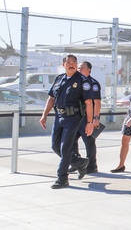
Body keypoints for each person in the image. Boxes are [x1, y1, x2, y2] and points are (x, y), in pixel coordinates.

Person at [39, 54, 95, 189]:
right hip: (59, 117)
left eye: (74, 62)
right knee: (55, 146)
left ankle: (62, 178)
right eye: (68, 62)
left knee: (65, 148)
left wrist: (90, 122)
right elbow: (51, 98)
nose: (71, 64)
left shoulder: (82, 80)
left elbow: (89, 103)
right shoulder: (59, 79)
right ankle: (78, 161)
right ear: (63, 64)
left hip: (73, 118)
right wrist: (44, 115)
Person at [72, 60, 102, 175]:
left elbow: (97, 102)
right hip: (76, 117)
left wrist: (96, 118)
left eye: (81, 68)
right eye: (78, 68)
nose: (78, 69)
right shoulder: (75, 82)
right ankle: (77, 162)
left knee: (89, 142)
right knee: (72, 141)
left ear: (88, 70)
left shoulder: (93, 83)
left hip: (87, 118)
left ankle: (91, 166)